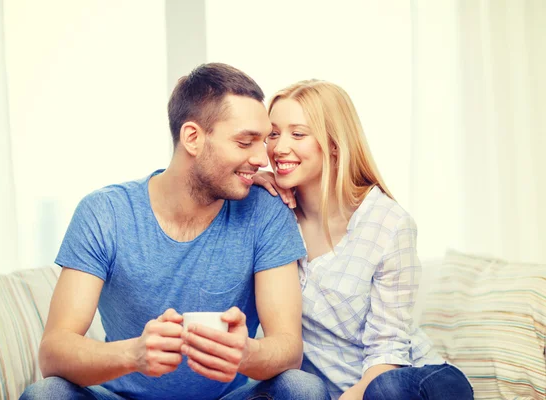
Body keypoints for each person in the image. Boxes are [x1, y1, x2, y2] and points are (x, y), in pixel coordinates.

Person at [20, 64, 330, 400]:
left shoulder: (265, 210)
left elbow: (288, 347)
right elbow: (54, 351)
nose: (261, 158)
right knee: (46, 394)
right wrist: (132, 354)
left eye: (263, 139)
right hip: (121, 397)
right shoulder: (105, 213)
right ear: (193, 138)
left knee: (301, 388)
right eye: (245, 142)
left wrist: (247, 353)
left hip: (228, 397)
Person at [254, 79, 473, 400]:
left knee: (383, 390)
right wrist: (253, 180)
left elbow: (389, 348)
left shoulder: (388, 222)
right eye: (273, 133)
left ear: (333, 143)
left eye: (297, 133)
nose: (279, 147)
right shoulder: (274, 215)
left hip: (415, 377)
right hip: (341, 389)